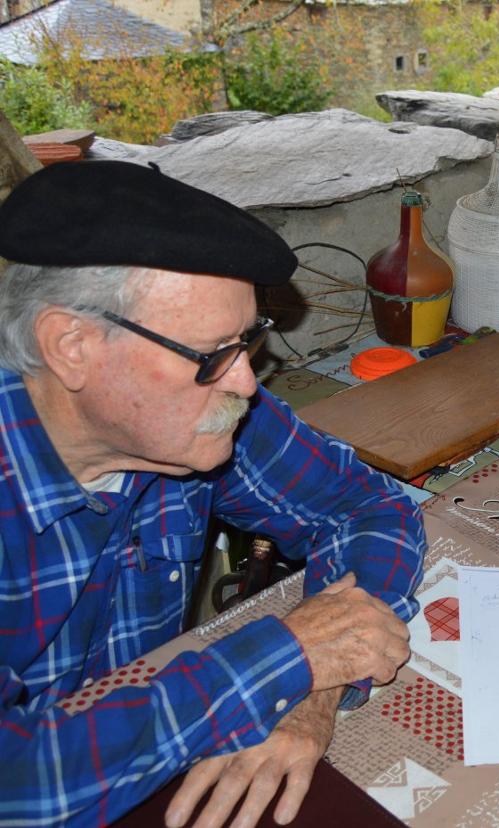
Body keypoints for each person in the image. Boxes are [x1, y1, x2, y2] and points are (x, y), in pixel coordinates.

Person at [0, 161, 425, 827]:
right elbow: (17, 783)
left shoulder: (195, 422)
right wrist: (283, 657)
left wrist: (314, 684)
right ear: (71, 346)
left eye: (248, 342)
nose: (247, 384)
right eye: (210, 355)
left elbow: (368, 505)